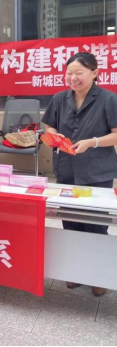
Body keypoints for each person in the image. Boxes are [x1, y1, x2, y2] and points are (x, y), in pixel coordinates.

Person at [42, 52, 117, 297]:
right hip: (66, 169)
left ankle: (98, 276)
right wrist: (54, 136)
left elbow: (116, 134)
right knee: (71, 222)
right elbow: (49, 126)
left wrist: (92, 142)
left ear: (94, 73)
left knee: (96, 225)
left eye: (79, 73)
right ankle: (75, 272)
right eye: (69, 73)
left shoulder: (108, 99)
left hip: (96, 172)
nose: (73, 78)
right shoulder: (59, 98)